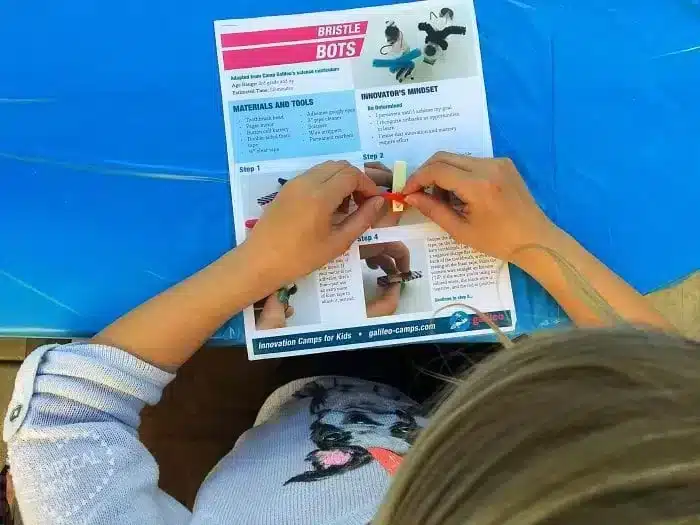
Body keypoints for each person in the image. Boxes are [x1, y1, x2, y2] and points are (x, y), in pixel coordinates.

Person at [2, 154, 690, 525]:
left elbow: (66, 415)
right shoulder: (639, 467)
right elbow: (672, 403)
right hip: (456, 372)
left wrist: (257, 266)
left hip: (266, 400)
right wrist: (536, 242)